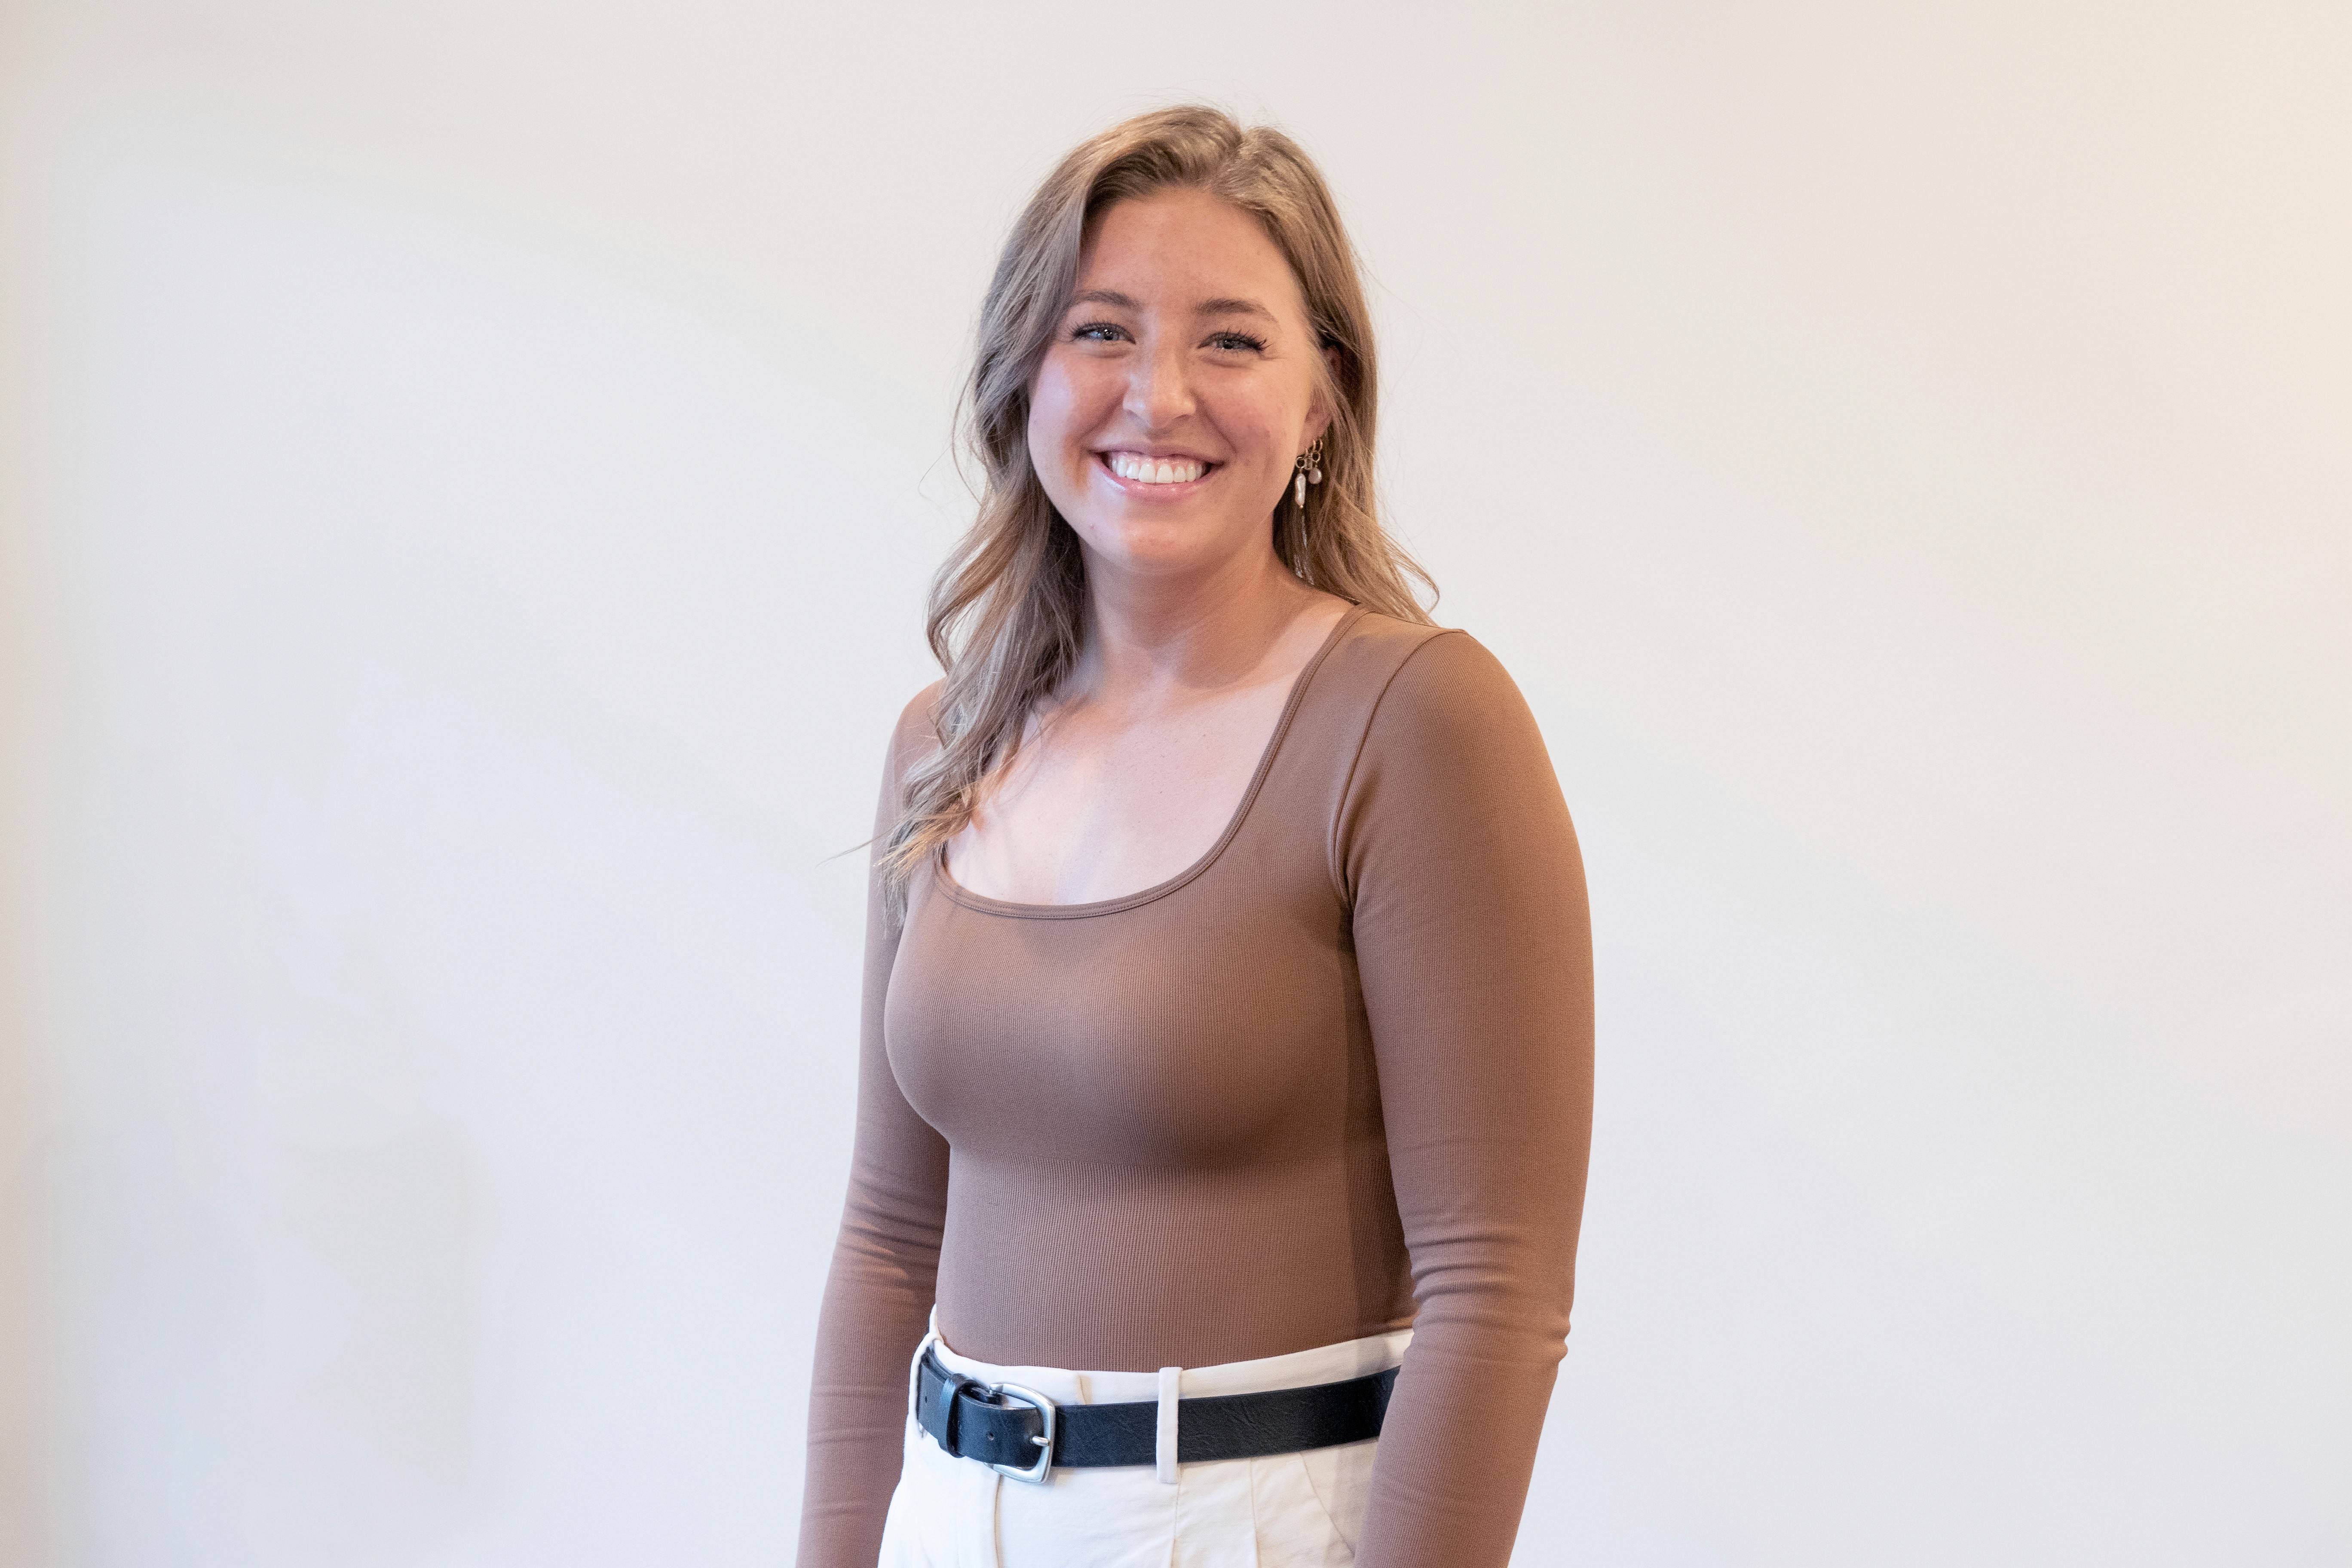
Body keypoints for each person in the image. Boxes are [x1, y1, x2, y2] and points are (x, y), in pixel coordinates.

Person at [797, 105, 1593, 1568]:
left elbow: (1498, 1288)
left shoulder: (1412, 721)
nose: (1158, 395)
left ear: (1322, 397)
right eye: (1101, 331)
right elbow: (888, 1238)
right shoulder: (942, 743)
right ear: (1025, 375)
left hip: (1239, 1525)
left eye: (1231, 340)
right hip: (948, 1512)